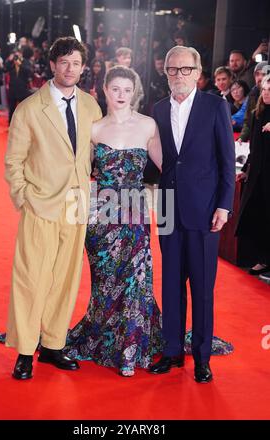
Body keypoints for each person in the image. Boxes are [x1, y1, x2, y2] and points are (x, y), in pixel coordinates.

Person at [4, 36, 102, 380]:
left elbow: (97, 153)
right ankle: (25, 350)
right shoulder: (30, 108)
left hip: (77, 205)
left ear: (82, 67)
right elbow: (13, 161)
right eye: (64, 63)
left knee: (65, 279)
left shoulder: (91, 106)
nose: (70, 69)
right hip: (41, 205)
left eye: (76, 63)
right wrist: (24, 197)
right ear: (52, 66)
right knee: (31, 279)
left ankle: (53, 344)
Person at [64, 65, 164, 377]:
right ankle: (104, 340)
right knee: (106, 286)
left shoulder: (148, 126)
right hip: (101, 218)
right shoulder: (93, 129)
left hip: (134, 216)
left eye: (127, 90)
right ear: (105, 90)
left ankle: (129, 353)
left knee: (136, 282)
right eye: (116, 89)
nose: (121, 95)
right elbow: (76, 172)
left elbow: (170, 167)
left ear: (135, 93)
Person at [150, 46, 235, 383]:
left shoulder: (216, 106)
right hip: (169, 208)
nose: (179, 75)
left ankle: (201, 357)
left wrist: (224, 205)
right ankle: (171, 351)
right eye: (173, 70)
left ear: (198, 72)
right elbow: (153, 161)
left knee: (202, 287)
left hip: (205, 210)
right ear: (166, 73)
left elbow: (227, 162)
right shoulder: (156, 110)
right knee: (171, 284)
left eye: (186, 69)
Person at [236, 74, 270, 279]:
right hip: (258, 174)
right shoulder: (259, 113)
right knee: (257, 215)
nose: (267, 93)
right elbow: (254, 147)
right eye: (265, 89)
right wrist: (246, 169)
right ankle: (261, 258)